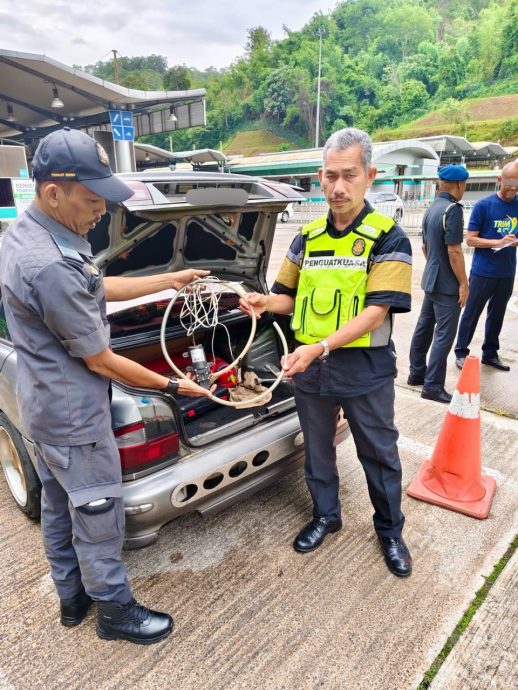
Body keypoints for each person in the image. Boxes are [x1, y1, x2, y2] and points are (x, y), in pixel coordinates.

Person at [0, 128, 213, 645]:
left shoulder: (30, 235)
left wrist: (168, 279)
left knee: (57, 506)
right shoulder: (50, 262)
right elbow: (101, 360)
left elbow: (95, 284)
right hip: (75, 418)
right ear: (54, 192)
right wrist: (172, 385)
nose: (101, 212)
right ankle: (115, 612)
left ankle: (71, 600)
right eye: (93, 200)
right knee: (97, 516)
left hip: (42, 409)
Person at [240, 128, 413, 577]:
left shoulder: (388, 237)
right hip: (312, 370)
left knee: (379, 452)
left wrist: (318, 347)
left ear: (369, 176)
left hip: (364, 369)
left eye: (349, 176)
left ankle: (390, 532)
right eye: (330, 176)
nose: (338, 187)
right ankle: (325, 516)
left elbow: (377, 312)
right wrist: (263, 302)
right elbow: (285, 296)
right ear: (320, 178)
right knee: (317, 451)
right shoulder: (308, 236)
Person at [407, 164, 469, 404]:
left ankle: (416, 373)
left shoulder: (432, 208)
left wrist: (435, 266)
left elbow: (425, 247)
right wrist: (463, 283)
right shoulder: (452, 209)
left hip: (431, 279)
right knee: (444, 334)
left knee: (424, 327)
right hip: (446, 285)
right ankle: (432, 386)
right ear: (459, 185)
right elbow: (454, 251)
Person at [454, 161, 518, 371]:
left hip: (507, 271)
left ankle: (490, 353)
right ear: (500, 180)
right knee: (472, 313)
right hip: (483, 271)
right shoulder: (484, 205)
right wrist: (497, 242)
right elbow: (470, 239)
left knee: (497, 315)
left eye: (517, 186)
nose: (513, 189)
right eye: (510, 184)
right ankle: (461, 351)